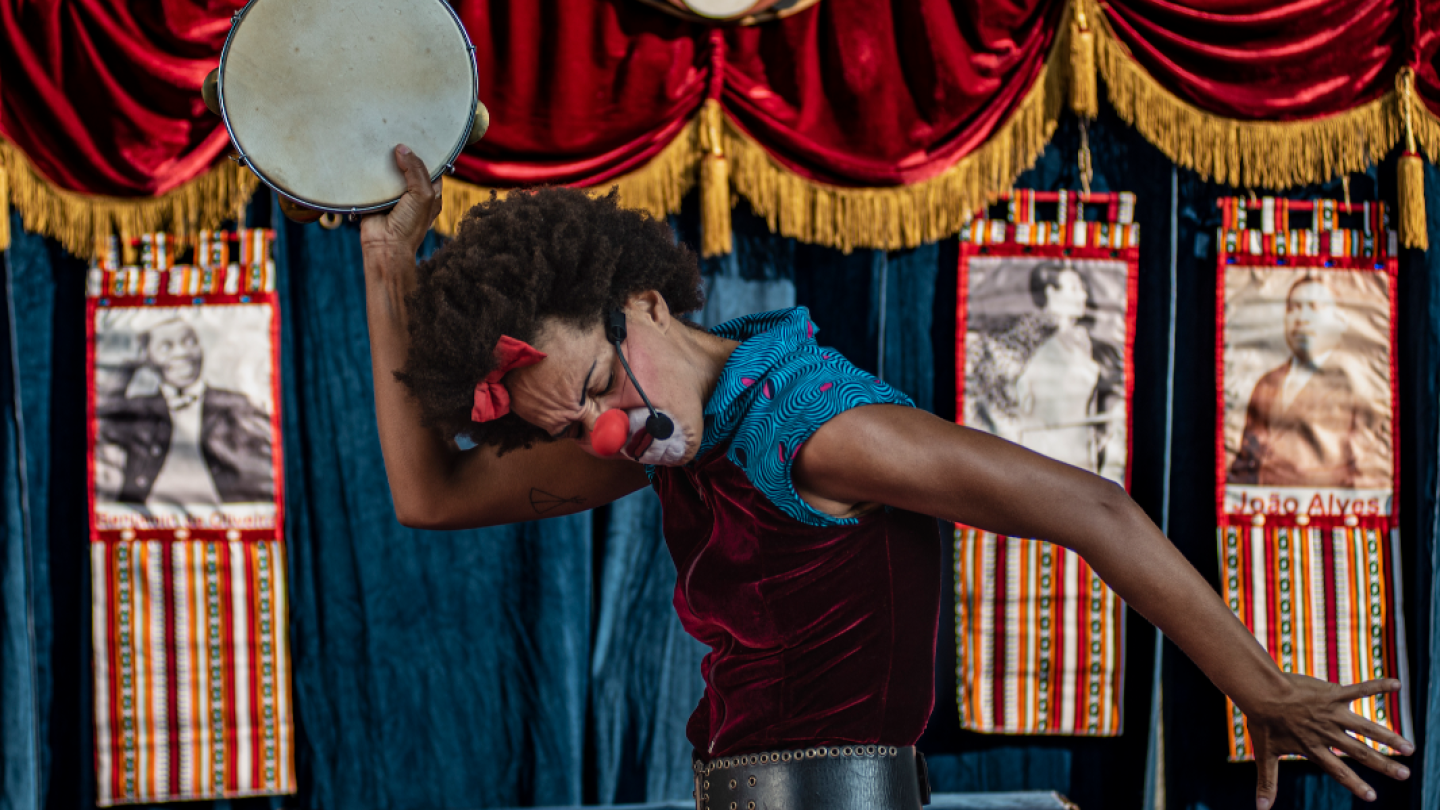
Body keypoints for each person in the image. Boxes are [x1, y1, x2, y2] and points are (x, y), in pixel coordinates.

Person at [361, 146, 1411, 810]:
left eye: (595, 386)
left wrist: (1258, 685)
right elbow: (432, 498)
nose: (603, 432)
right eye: (573, 422)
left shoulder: (818, 433)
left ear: (638, 299)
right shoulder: (683, 441)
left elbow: (1092, 508)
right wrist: (384, 266)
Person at [968, 261, 1124, 479]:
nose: (1083, 296)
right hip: (1033, 457)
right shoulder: (1019, 342)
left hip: (1078, 458)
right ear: (1051, 292)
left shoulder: (1094, 346)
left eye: (1083, 289)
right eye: (1074, 288)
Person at [96, 317, 275, 507]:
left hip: (230, 514)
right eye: (166, 346)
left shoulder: (234, 403)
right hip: (144, 517)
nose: (182, 353)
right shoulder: (141, 409)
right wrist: (128, 367)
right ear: (147, 356)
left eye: (190, 342)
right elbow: (101, 418)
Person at [1229, 276, 1388, 488]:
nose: (1302, 318)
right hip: (1264, 509)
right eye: (1293, 308)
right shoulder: (1267, 383)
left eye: (1313, 307)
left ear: (1339, 321)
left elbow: (1368, 466)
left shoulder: (1356, 383)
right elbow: (1245, 462)